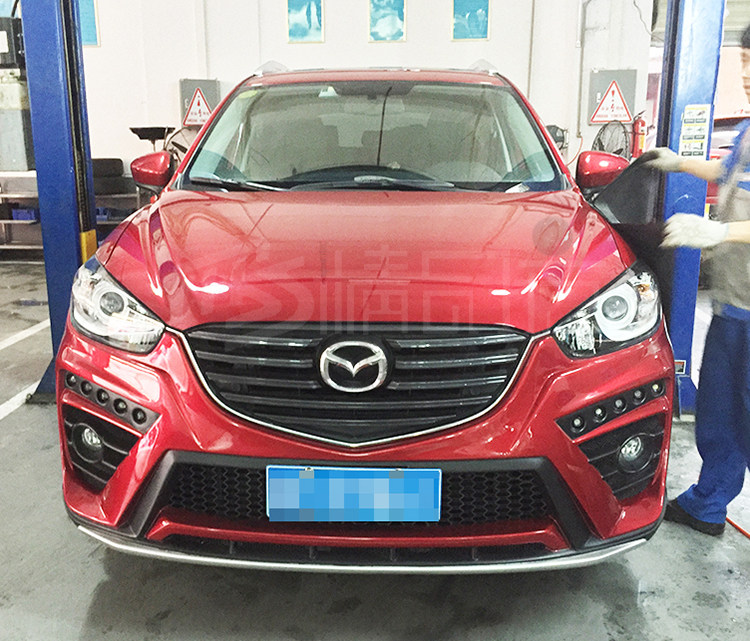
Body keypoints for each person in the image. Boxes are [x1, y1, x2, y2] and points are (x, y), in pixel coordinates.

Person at [642, 23, 750, 536]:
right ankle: (708, 505)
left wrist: (720, 231)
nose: (748, 76)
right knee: (719, 412)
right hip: (732, 304)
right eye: (746, 64)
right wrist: (679, 162)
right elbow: (726, 174)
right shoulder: (748, 129)